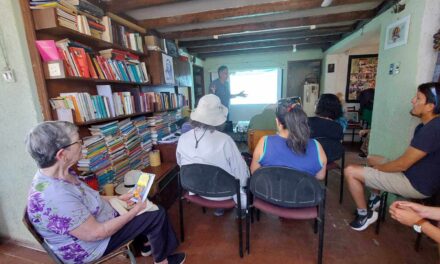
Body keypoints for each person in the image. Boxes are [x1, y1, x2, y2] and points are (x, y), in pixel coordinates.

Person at [26, 121, 185, 264]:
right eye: (78, 142)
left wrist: (117, 198)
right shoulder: (55, 196)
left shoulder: (60, 172)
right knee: (155, 214)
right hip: (91, 246)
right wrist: (134, 211)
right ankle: (162, 261)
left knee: (146, 206)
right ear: (62, 154)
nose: (83, 145)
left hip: (98, 220)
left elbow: (87, 197)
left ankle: (145, 245)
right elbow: (97, 233)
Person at [345, 82, 440, 231]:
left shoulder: (433, 129)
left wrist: (379, 169)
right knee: (371, 158)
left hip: (415, 184)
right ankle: (374, 198)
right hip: (411, 172)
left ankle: (364, 214)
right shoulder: (424, 126)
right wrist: (379, 167)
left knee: (350, 171)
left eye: (418, 98)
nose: (412, 101)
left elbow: (402, 165)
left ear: (430, 106)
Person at [176, 94, 250, 216]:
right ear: (218, 118)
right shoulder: (225, 140)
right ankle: (238, 209)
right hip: (224, 192)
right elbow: (240, 174)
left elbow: (181, 164)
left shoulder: (183, 138)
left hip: (195, 189)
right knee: (241, 168)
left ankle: (218, 208)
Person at [250, 97, 327, 180]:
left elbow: (254, 172)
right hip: (302, 192)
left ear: (277, 122)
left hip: (271, 192)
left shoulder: (264, 142)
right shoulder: (317, 146)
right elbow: (320, 176)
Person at [308, 94, 344, 163]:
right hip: (330, 158)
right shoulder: (338, 127)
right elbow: (339, 144)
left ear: (319, 106)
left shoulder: (307, 122)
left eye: (317, 101)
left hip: (310, 158)